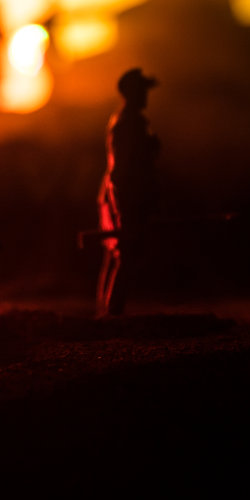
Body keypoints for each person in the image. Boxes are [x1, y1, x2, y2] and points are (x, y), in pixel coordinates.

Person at [97, 68, 161, 318]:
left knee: (116, 255)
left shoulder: (131, 121)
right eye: (142, 90)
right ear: (131, 93)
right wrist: (121, 208)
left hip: (121, 195)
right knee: (124, 254)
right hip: (123, 196)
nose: (146, 95)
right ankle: (112, 314)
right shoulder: (127, 124)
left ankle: (106, 313)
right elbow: (120, 169)